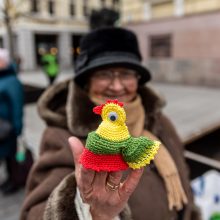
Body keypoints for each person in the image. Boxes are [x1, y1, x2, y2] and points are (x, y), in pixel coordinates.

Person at [20, 28, 200, 219]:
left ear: (137, 80)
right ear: (86, 82)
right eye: (104, 74)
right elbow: (35, 212)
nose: (116, 86)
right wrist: (88, 209)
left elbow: (183, 173)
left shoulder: (157, 119)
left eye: (126, 74)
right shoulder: (63, 133)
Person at [0, 48, 24, 195]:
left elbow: (17, 106)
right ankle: (10, 179)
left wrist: (17, 129)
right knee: (6, 156)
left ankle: (14, 181)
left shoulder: (12, 81)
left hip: (9, 128)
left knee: (11, 157)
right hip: (2, 128)